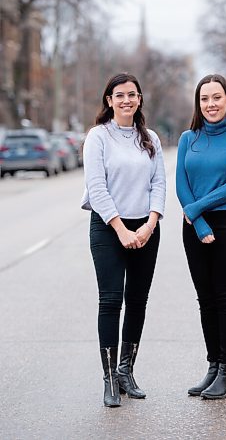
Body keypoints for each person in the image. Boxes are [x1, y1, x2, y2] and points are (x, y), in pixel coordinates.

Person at [81, 72, 166, 407]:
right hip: (107, 227)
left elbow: (158, 184)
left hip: (145, 228)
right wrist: (121, 229)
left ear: (140, 99)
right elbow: (97, 188)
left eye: (132, 94)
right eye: (120, 95)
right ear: (109, 100)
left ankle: (126, 372)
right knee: (110, 301)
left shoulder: (151, 139)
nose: (126, 100)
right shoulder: (98, 137)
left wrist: (149, 225)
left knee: (138, 301)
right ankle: (108, 380)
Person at [176, 73, 226, 400]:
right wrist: (197, 221)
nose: (211, 104)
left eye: (216, 98)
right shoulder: (187, 138)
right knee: (205, 300)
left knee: (224, 296)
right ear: (199, 103)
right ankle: (213, 367)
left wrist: (197, 209)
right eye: (204, 99)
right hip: (194, 226)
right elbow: (181, 183)